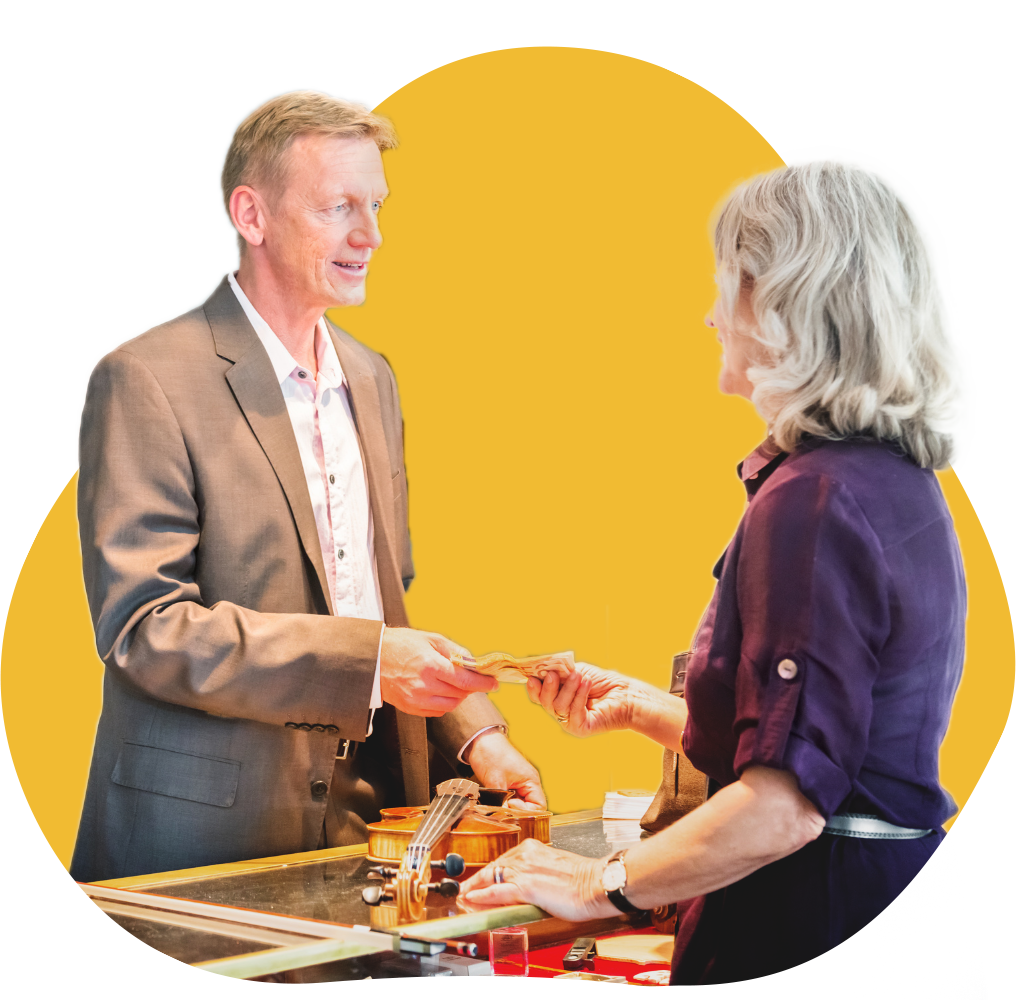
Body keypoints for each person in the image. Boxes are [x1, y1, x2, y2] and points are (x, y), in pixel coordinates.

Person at [461, 162, 985, 999]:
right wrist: (642, 710)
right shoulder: (894, 482)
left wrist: (596, 882)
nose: (711, 314)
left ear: (782, 304)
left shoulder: (811, 499)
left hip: (812, 943)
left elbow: (789, 806)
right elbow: (842, 758)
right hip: (895, 921)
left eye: (725, 286)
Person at [70, 91, 544, 883]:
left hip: (365, 825)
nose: (372, 236)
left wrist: (475, 735)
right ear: (251, 216)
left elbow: (380, 608)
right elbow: (144, 630)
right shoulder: (144, 379)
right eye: (339, 208)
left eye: (377, 206)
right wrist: (367, 662)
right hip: (198, 840)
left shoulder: (371, 376)